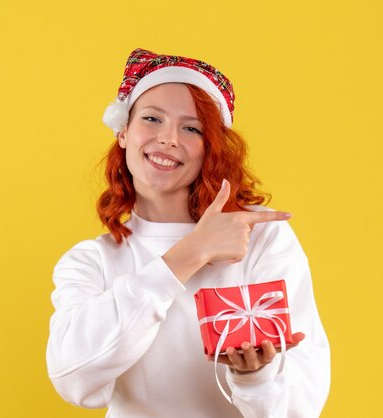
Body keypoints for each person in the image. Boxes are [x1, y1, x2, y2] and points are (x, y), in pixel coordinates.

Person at [46, 48, 330, 417]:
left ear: (209, 148)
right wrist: (190, 253)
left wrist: (255, 377)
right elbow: (73, 378)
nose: (168, 139)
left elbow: (300, 407)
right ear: (123, 132)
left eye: (191, 128)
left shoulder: (258, 237)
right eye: (152, 119)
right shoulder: (92, 261)